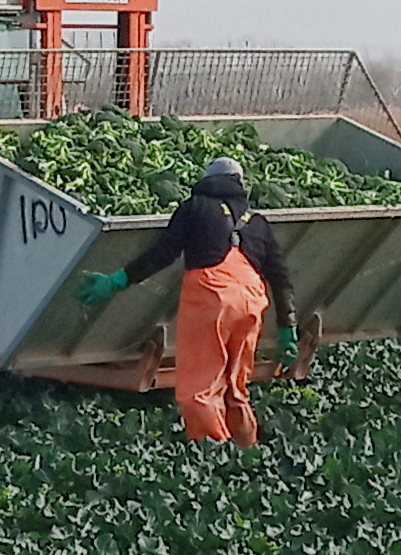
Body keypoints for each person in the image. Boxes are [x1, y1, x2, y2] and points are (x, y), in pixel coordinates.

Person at [76, 157, 299, 446]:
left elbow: (164, 252)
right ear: (240, 185)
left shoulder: (194, 208)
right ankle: (246, 448)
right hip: (252, 301)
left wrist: (118, 280)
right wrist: (287, 328)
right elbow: (281, 279)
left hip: (213, 299)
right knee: (235, 384)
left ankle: (213, 449)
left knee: (199, 388)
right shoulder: (258, 222)